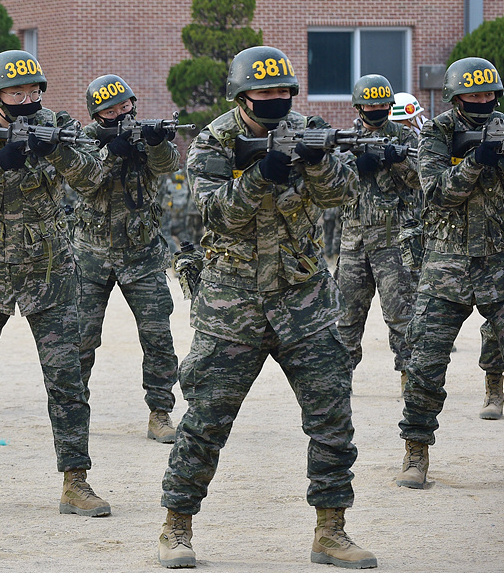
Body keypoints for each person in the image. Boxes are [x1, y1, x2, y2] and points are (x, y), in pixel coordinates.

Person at [158, 46, 375, 569]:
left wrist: (318, 162)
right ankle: (176, 527)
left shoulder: (310, 130)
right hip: (232, 308)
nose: (277, 100)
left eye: (284, 92)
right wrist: (264, 173)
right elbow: (209, 215)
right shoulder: (213, 142)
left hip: (304, 301)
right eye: (265, 93)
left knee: (332, 420)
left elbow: (345, 196)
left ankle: (331, 531)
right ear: (241, 95)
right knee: (206, 422)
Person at [0, 50, 110, 518]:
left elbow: (94, 180)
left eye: (34, 91)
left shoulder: (60, 124)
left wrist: (60, 150)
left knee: (67, 381)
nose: (28, 99)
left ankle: (76, 481)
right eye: (17, 92)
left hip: (49, 272)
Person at [397, 57, 504, 487]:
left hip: (498, 260)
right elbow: (439, 194)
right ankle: (415, 451)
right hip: (446, 266)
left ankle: (493, 386)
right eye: (473, 95)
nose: (482, 101)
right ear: (455, 98)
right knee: (425, 362)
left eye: (488, 94)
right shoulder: (435, 132)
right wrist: (478, 159)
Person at [72, 74, 181, 443]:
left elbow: (169, 166)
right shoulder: (83, 139)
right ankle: (73, 411)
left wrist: (155, 144)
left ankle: (160, 412)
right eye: (110, 109)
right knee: (81, 339)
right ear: (96, 113)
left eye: (125, 105)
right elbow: (83, 179)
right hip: (90, 255)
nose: (121, 113)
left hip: (143, 252)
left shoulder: (148, 132)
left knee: (157, 336)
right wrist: (112, 150)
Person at [334, 75, 419, 387]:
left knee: (402, 312)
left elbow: (422, 178)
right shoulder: (344, 138)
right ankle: (340, 378)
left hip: (393, 238)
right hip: (353, 239)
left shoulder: (404, 137)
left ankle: (410, 375)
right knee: (346, 315)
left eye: (383, 103)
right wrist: (357, 164)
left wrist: (395, 160)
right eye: (371, 104)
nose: (377, 109)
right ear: (359, 106)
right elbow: (329, 177)